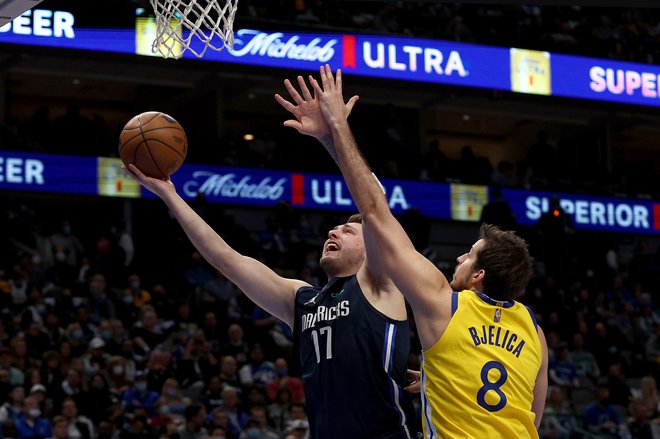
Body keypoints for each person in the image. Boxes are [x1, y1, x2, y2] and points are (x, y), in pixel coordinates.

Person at [125, 91, 417, 438]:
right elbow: (227, 260)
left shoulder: (380, 283)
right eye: (336, 226)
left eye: (347, 230)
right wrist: (169, 195)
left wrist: (330, 134)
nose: (333, 230)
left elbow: (373, 205)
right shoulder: (302, 300)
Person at [278, 65, 548, 438]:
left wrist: (335, 130)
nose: (459, 259)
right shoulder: (534, 329)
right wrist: (446, 382)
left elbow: (373, 209)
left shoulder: (442, 302)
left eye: (469, 255)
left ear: (479, 274)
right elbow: (531, 413)